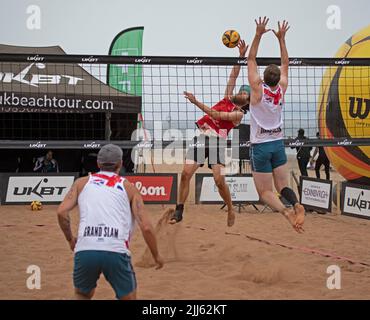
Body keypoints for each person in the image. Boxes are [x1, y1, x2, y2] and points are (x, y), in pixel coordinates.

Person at [57, 144, 164, 300]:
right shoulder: (129, 188)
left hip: (86, 248)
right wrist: (156, 256)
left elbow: (61, 212)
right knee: (129, 297)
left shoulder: (81, 183)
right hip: (115, 250)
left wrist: (70, 239)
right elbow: (146, 227)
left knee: (82, 294)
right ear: (120, 164)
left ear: (98, 164)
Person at [170, 40, 250, 227]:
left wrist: (195, 101)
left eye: (245, 93)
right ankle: (179, 210)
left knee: (219, 180)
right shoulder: (227, 97)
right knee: (185, 174)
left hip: (218, 142)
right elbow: (233, 75)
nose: (241, 92)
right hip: (201, 137)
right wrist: (240, 57)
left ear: (247, 101)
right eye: (241, 91)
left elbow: (214, 114)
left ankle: (230, 208)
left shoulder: (238, 114)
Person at [247, 17, 304, 233]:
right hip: (278, 144)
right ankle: (297, 204)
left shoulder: (257, 89)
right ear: (278, 77)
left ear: (263, 77)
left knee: (264, 193)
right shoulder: (282, 87)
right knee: (283, 186)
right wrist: (282, 39)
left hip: (261, 147)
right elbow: (286, 63)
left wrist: (258, 34)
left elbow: (251, 58)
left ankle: (287, 212)